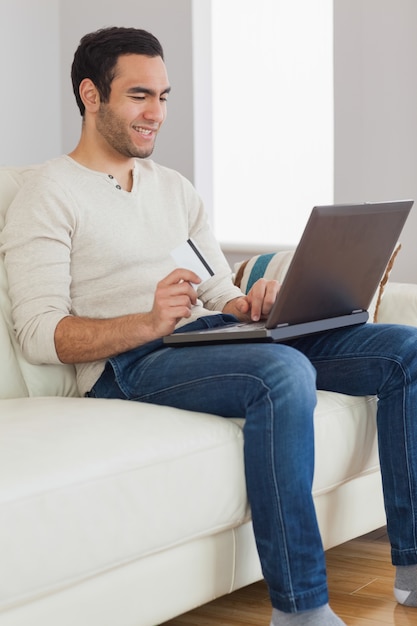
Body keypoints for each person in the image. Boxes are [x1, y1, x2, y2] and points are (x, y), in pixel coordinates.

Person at [1, 26, 417, 626]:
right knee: (281, 372)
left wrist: (254, 303)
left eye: (164, 97)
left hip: (211, 334)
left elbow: (218, 289)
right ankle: (300, 608)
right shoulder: (48, 194)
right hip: (131, 362)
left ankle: (412, 570)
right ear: (91, 96)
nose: (156, 113)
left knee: (405, 350)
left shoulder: (174, 190)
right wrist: (147, 319)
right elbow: (39, 335)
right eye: (140, 95)